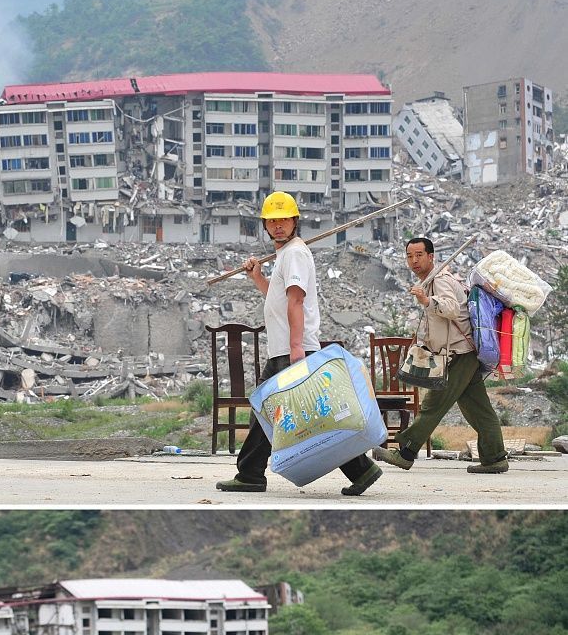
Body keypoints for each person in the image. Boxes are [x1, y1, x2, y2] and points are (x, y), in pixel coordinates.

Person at [215, 191, 382, 497]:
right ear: (266, 225)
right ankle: (361, 468)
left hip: (291, 349)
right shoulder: (286, 254)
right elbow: (278, 299)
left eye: (284, 220)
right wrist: (257, 277)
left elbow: (296, 300)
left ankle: (251, 474)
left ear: (295, 222)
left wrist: (296, 351)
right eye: (273, 221)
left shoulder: (294, 253)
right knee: (285, 413)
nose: (278, 225)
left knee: (267, 411)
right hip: (286, 348)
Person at [373, 236, 508, 475]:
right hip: (463, 354)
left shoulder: (440, 280)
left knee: (432, 405)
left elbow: (452, 308)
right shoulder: (430, 280)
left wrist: (427, 300)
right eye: (409, 256)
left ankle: (405, 452)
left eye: (419, 255)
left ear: (431, 257)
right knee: (478, 409)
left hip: (459, 355)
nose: (414, 260)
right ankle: (495, 457)